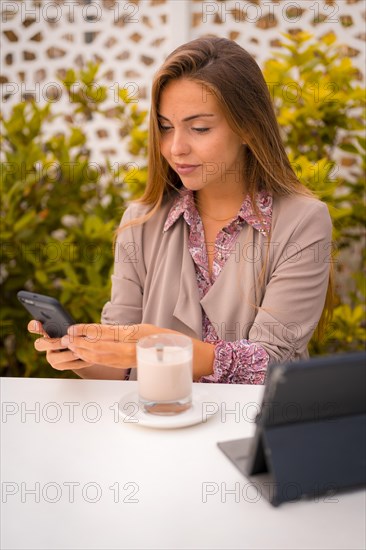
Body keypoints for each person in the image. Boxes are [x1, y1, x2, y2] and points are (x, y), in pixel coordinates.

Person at [29, 36, 333, 384]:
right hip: (156, 429)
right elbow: (122, 368)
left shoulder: (302, 221)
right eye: (165, 127)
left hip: (250, 431)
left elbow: (270, 363)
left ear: (248, 127)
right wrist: (82, 354)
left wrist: (155, 345)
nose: (176, 148)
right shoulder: (139, 222)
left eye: (199, 128)